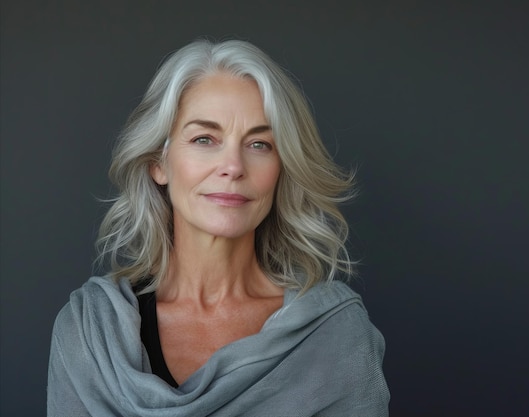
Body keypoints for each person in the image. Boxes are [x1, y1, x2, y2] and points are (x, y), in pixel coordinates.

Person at [47, 38, 389, 416]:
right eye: (204, 139)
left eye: (259, 144)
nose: (233, 166)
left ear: (282, 168)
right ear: (158, 163)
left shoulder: (337, 335)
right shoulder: (89, 331)